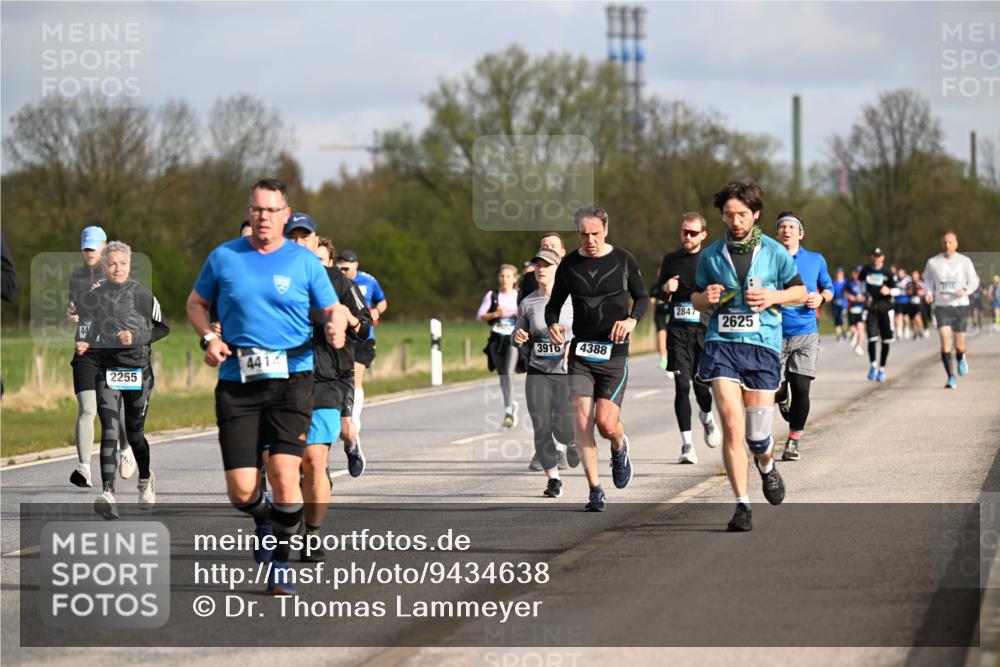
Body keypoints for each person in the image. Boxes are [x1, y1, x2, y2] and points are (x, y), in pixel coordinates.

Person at [186, 178, 347, 595]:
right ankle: (262, 517)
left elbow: (333, 306)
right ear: (250, 211)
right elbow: (196, 303)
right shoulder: (224, 257)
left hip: (293, 378)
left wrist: (337, 326)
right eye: (257, 210)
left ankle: (280, 563)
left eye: (272, 211)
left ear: (285, 215)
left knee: (284, 473)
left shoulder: (303, 262)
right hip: (237, 380)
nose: (263, 218)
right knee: (242, 490)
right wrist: (209, 339)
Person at [691, 180, 806, 532]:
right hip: (721, 344)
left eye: (742, 214)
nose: (735, 220)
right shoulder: (710, 255)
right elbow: (694, 299)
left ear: (755, 214)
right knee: (731, 425)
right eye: (728, 215)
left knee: (758, 437)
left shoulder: (775, 252)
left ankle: (767, 466)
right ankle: (742, 504)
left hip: (762, 346)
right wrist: (705, 298)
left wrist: (773, 297)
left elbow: (800, 292)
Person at [545, 205, 648, 512]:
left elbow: (641, 297)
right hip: (581, 353)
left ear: (606, 229)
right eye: (583, 234)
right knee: (581, 420)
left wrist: (631, 321)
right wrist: (552, 324)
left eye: (595, 233)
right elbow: (554, 305)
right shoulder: (570, 264)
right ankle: (595, 490)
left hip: (614, 353)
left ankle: (619, 446)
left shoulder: (623, 259)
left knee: (605, 423)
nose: (589, 240)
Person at [284, 213, 372, 562]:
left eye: (305, 237)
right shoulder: (270, 279)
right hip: (281, 378)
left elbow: (365, 326)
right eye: (292, 237)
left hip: (325, 378)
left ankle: (312, 534)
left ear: (315, 241)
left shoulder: (337, 282)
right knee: (284, 465)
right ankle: (284, 522)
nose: (298, 243)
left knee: (314, 459)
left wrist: (347, 318)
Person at [76, 241, 168, 519]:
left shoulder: (142, 295)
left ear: (130, 265)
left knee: (135, 434)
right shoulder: (95, 295)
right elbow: (87, 325)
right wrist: (82, 341)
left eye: (123, 263)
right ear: (104, 265)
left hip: (138, 372)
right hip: (108, 371)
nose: (117, 268)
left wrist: (136, 338)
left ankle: (145, 478)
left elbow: (163, 328)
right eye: (112, 263)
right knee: (110, 429)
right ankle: (108, 493)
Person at [67, 226, 133, 488]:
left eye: (94, 247)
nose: (89, 252)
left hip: (112, 351)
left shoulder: (118, 275)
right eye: (86, 247)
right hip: (84, 351)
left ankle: (126, 448)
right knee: (87, 409)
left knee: (113, 411)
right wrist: (72, 314)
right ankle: (84, 468)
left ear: (105, 247)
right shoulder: (76, 278)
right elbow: (75, 310)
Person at [653, 212, 721, 464]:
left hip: (704, 333)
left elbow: (722, 295)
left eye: (693, 232)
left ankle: (707, 417)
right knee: (682, 387)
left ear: (703, 234)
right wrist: (665, 289)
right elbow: (658, 295)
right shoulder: (670, 260)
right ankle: (687, 446)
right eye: (684, 232)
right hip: (678, 333)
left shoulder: (712, 260)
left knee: (702, 387)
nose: (688, 236)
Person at [512, 247, 578, 498]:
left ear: (557, 269)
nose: (540, 269)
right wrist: (517, 336)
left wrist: (572, 344)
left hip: (566, 373)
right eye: (538, 265)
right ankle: (553, 480)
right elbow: (516, 335)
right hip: (538, 371)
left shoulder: (572, 300)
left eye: (546, 265)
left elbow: (585, 328)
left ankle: (571, 442)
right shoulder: (528, 302)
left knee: (563, 428)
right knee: (541, 426)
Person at [773, 212, 834, 462]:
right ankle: (780, 395)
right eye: (782, 227)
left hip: (805, 332)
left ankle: (793, 441)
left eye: (791, 227)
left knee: (801, 388)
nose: (787, 230)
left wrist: (821, 297)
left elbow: (829, 288)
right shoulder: (767, 260)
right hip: (773, 334)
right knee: (773, 389)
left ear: (801, 233)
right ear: (777, 234)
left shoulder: (815, 259)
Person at [337, 249, 387, 438]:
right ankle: (342, 416)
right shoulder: (335, 281)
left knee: (356, 376)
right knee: (343, 378)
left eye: (347, 267)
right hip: (344, 337)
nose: (343, 270)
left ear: (356, 265)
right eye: (340, 267)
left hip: (364, 337)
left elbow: (382, 301)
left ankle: (354, 420)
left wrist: (376, 312)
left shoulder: (369, 281)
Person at [923, 231, 980, 389]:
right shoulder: (933, 262)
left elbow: (974, 281)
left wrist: (965, 289)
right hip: (942, 307)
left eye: (950, 242)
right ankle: (950, 377)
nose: (947, 245)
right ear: (941, 244)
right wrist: (928, 293)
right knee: (945, 342)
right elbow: (927, 280)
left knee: (959, 345)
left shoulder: (964, 261)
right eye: (944, 242)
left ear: (956, 243)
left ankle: (961, 357)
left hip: (960, 306)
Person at [477, 264, 521, 428]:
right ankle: (509, 405)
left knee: (509, 373)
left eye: (508, 276)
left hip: (513, 338)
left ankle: (508, 412)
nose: (505, 279)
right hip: (497, 337)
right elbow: (480, 315)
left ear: (515, 279)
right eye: (502, 276)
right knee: (502, 375)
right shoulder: (492, 295)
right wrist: (496, 314)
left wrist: (518, 315)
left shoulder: (519, 296)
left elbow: (528, 314)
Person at [859, 248, 897, 382]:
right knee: (872, 339)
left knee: (886, 341)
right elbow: (860, 284)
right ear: (871, 257)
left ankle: (882, 369)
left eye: (879, 256)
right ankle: (873, 365)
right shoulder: (865, 270)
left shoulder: (888, 272)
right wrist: (862, 294)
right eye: (874, 256)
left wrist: (889, 291)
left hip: (886, 309)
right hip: (871, 309)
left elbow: (898, 290)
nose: (876, 258)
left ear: (883, 258)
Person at [843, 266, 867, 355]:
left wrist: (863, 298)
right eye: (857, 273)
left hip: (861, 310)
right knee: (852, 328)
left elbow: (867, 296)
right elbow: (845, 293)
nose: (858, 275)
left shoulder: (864, 284)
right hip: (852, 309)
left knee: (861, 329)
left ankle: (859, 346)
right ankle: (852, 334)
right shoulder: (849, 283)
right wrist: (851, 297)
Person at [906, 270, 927, 339]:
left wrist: (920, 292)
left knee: (917, 317)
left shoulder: (921, 283)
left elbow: (925, 292)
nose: (914, 277)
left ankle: (920, 330)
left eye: (916, 275)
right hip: (911, 303)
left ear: (918, 275)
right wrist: (912, 291)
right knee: (913, 319)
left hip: (919, 304)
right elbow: (908, 292)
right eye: (913, 275)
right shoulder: (909, 284)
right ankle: (916, 332)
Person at [893, 268, 912, 340]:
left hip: (906, 301)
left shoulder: (908, 279)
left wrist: (907, 289)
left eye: (902, 273)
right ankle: (899, 332)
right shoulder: (895, 279)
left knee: (905, 317)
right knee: (899, 316)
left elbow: (910, 289)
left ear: (904, 273)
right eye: (899, 273)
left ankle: (907, 328)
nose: (900, 274)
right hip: (898, 301)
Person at [831, 267, 847, 341]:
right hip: (835, 304)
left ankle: (844, 331)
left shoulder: (846, 282)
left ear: (842, 274)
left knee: (842, 318)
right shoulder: (833, 283)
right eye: (837, 273)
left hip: (843, 304)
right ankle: (839, 335)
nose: (839, 275)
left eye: (840, 273)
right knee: (837, 319)